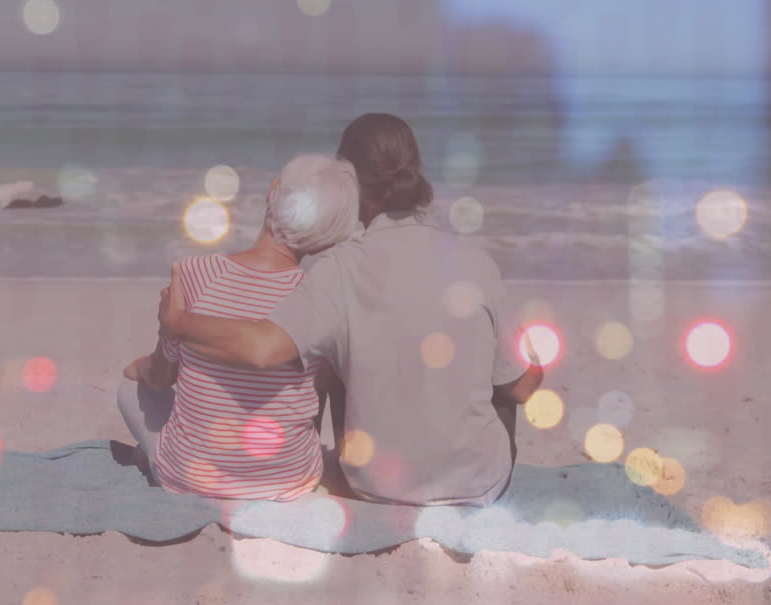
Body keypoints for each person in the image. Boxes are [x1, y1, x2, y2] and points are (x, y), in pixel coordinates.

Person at [158, 113, 544, 507]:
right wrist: (533, 357)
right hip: (477, 488)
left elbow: (261, 348)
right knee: (500, 377)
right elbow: (522, 388)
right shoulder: (475, 261)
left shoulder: (337, 268)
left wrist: (181, 323)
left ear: (350, 184)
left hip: (372, 485)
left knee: (336, 348)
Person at [118, 154, 360, 501]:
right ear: (328, 239)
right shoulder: (317, 301)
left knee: (130, 387)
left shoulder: (197, 274)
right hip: (287, 481)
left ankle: (160, 456)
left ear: (273, 191)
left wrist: (138, 368)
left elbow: (160, 376)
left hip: (194, 478)